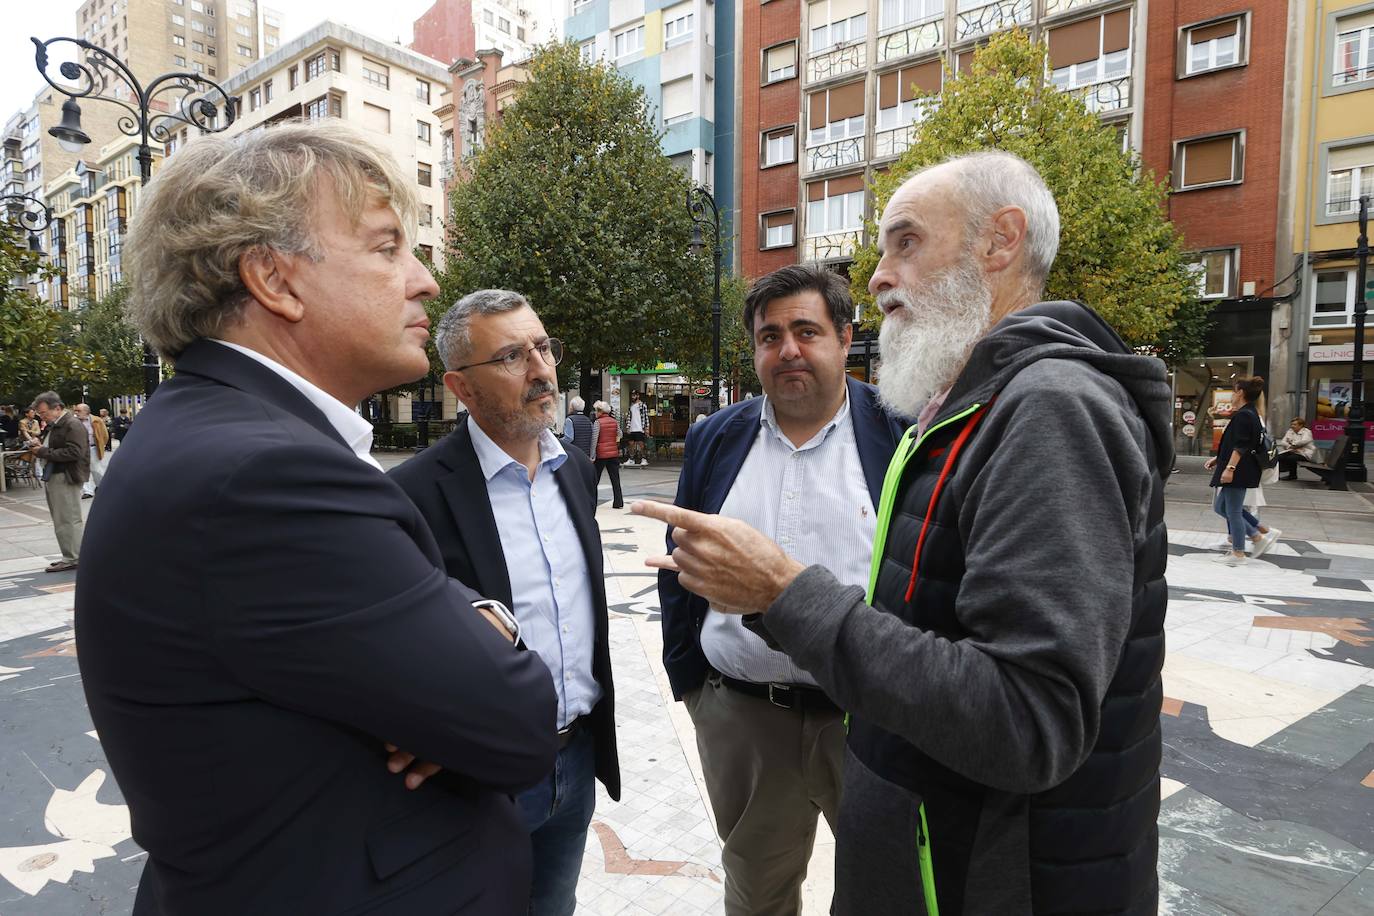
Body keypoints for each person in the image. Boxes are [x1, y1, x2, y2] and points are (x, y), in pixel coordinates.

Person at [634, 151, 1169, 914]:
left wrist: (785, 594)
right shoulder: (967, 409)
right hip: (930, 845)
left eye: (905, 242)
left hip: (994, 875)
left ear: (1000, 241)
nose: (880, 274)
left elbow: (1029, 720)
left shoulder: (1051, 408)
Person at [74, 121, 558, 915]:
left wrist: (465, 638)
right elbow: (516, 722)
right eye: (386, 247)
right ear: (274, 278)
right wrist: (486, 640)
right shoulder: (271, 474)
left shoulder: (215, 433)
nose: (425, 280)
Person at [659, 264, 907, 916]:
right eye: (770, 336)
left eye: (806, 330)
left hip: (866, 724)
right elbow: (679, 562)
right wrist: (691, 683)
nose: (788, 349)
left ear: (844, 336)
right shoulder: (716, 437)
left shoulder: (899, 431)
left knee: (887, 890)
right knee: (755, 891)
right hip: (743, 720)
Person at [389, 290, 620, 916]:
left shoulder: (571, 469)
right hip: (479, 777)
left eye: (543, 347)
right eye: (513, 356)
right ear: (461, 388)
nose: (542, 369)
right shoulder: (410, 494)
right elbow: (392, 646)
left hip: (575, 760)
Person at [1206, 377, 1269, 566]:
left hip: (1238, 470)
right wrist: (1218, 459)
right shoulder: (1248, 413)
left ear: (1240, 393)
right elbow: (1238, 443)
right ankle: (1257, 534)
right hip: (1239, 468)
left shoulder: (1244, 415)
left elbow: (1241, 445)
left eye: (1234, 391)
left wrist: (1230, 468)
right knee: (1221, 507)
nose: (1232, 395)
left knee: (1232, 510)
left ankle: (1240, 552)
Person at [25, 392, 89, 573]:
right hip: (55, 475)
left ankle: (73, 557)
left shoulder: (71, 424)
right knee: (62, 518)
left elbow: (74, 452)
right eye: (39, 413)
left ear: (58, 408)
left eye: (44, 413)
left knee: (67, 518)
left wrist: (43, 451)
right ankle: (70, 555)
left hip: (65, 476)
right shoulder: (57, 424)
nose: (41, 416)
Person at [592, 401, 624, 509]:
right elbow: (620, 434)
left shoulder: (598, 422)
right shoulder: (614, 422)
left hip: (601, 455)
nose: (595, 412)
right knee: (615, 479)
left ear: (600, 411)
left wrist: (592, 455)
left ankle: (592, 501)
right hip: (613, 454)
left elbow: (594, 439)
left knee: (595, 479)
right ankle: (618, 502)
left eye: (596, 410)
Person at [73, 404, 109, 497]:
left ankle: (101, 485)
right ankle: (87, 491)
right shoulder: (73, 421)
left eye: (78, 411)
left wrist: (101, 445)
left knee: (96, 469)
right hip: (80, 448)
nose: (76, 413)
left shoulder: (97, 420)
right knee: (82, 469)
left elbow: (105, 435)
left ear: (86, 411)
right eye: (75, 411)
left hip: (93, 447)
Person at [625, 390, 649, 465]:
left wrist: (646, 428)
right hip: (632, 428)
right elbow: (629, 417)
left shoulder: (642, 405)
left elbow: (646, 417)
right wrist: (628, 427)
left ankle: (644, 459)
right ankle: (631, 459)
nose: (633, 397)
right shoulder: (631, 406)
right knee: (631, 443)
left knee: (641, 444)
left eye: (634, 395)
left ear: (638, 396)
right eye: (632, 395)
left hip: (639, 428)